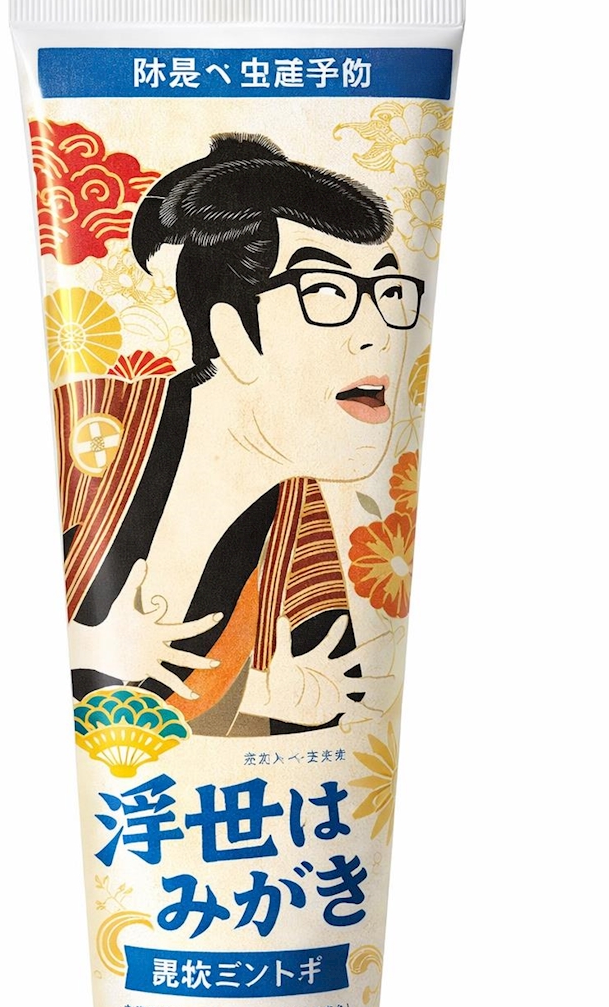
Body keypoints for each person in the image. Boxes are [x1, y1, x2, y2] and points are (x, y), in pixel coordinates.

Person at [59, 134, 425, 735]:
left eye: (389, 294)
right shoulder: (92, 424)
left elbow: (333, 711)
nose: (378, 333)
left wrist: (276, 699)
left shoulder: (297, 518)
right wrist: (89, 647)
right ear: (231, 333)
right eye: (327, 291)